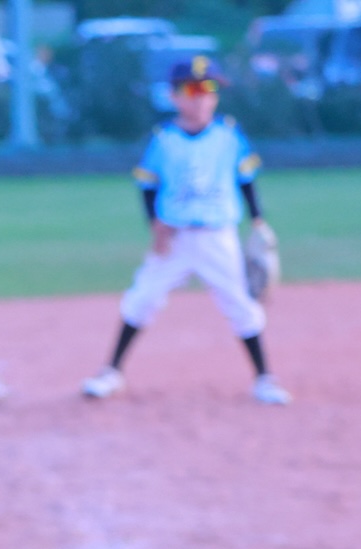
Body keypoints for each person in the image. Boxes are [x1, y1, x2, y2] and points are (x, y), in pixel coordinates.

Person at [80, 56, 287, 407]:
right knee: (142, 299)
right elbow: (147, 185)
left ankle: (264, 379)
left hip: (217, 236)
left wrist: (258, 222)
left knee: (241, 306)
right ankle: (110, 372)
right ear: (174, 96)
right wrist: (154, 227)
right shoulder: (164, 140)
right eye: (193, 90)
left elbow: (246, 180)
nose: (202, 98)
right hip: (174, 238)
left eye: (209, 89)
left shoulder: (228, 135)